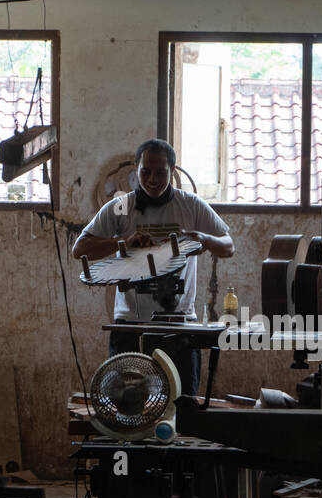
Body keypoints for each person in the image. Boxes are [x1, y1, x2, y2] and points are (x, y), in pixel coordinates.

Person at [72, 138, 234, 395]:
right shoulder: (121, 206)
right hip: (130, 324)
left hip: (179, 321)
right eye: (145, 171)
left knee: (183, 404)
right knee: (127, 405)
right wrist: (123, 241)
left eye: (161, 172)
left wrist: (205, 239)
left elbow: (228, 246)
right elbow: (80, 249)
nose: (152, 179)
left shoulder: (190, 204)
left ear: (173, 170)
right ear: (136, 170)